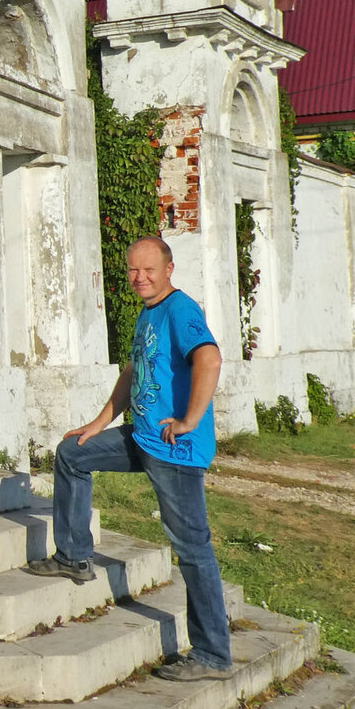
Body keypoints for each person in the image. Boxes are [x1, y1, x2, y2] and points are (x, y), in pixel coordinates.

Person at [26, 235, 233, 682]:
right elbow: (133, 372)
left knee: (193, 550)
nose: (140, 278)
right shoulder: (149, 313)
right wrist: (99, 423)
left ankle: (213, 654)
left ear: (169, 269)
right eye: (133, 271)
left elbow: (210, 360)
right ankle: (74, 556)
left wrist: (189, 419)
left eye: (149, 270)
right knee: (72, 453)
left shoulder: (180, 310)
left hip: (175, 450)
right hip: (142, 438)